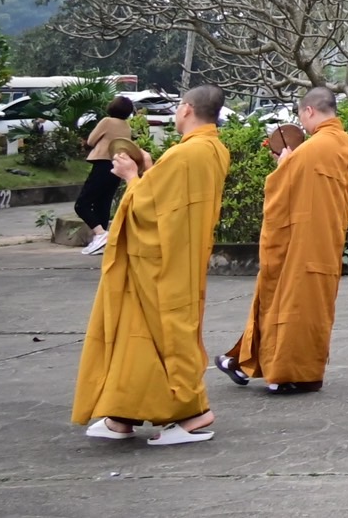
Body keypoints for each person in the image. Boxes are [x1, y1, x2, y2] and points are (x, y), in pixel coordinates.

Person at [73, 84, 231, 445]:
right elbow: (172, 198)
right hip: (181, 257)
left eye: (178, 108)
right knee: (138, 338)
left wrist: (131, 177)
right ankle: (122, 416)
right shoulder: (213, 149)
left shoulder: (185, 153)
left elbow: (149, 208)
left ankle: (193, 413)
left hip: (161, 264)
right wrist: (147, 166)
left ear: (187, 108)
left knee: (165, 336)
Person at [213, 84, 348, 396]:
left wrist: (283, 165)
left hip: (300, 244)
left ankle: (285, 372)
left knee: (287, 304)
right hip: (329, 242)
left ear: (309, 111)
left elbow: (279, 192)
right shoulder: (347, 145)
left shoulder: (309, 150)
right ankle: (284, 368)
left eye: (301, 115)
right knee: (315, 309)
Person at [74, 96, 142, 254]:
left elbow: (91, 141)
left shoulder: (107, 121)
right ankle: (101, 243)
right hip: (118, 165)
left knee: (82, 204)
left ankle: (100, 234)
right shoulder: (126, 125)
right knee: (103, 204)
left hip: (102, 164)